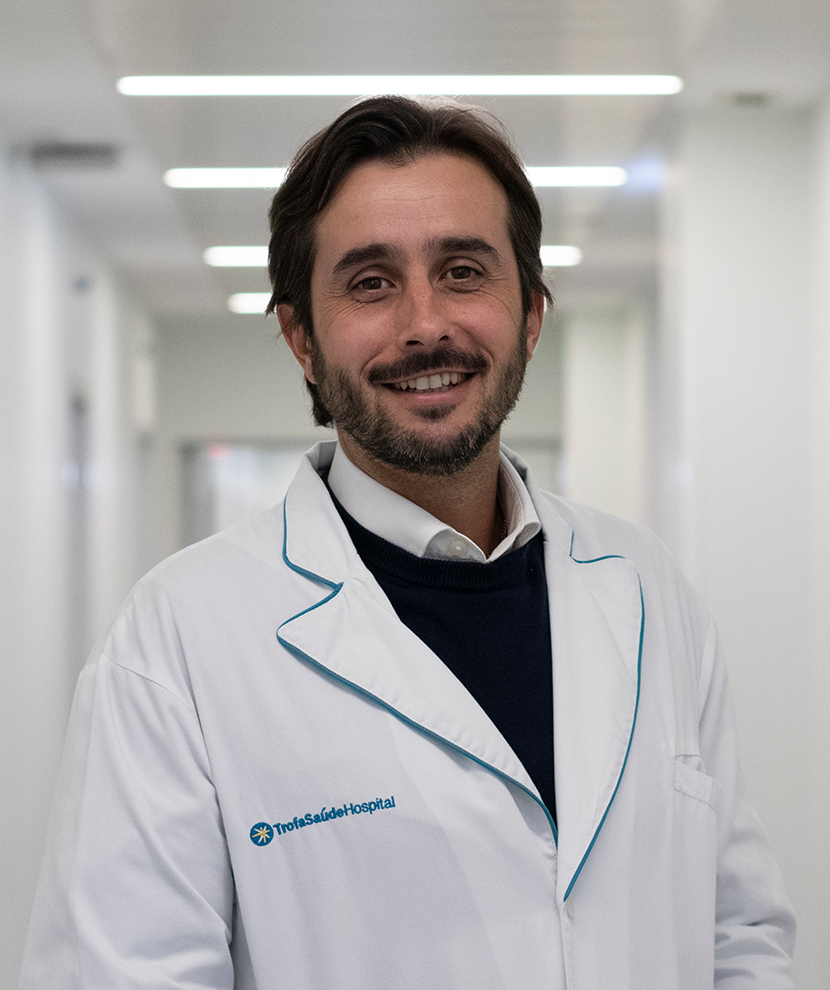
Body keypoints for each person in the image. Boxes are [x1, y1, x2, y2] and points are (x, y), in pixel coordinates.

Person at [21, 96, 795, 990]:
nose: (426, 323)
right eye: (371, 282)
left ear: (531, 314)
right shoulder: (178, 640)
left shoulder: (650, 590)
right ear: (302, 339)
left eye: (463, 272)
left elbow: (739, 935)